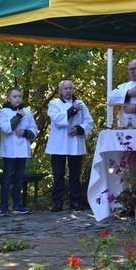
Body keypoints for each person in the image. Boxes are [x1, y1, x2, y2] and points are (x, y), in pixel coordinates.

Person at [46, 80, 94, 212]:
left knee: (75, 174)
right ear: (60, 90)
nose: (68, 90)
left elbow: (89, 121)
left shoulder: (81, 103)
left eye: (70, 88)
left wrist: (79, 128)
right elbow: (57, 120)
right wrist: (73, 110)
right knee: (58, 174)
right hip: (59, 144)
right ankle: (57, 202)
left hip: (75, 142)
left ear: (73, 89)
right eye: (65, 88)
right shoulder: (54, 103)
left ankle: (75, 201)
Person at [0, 86, 39, 216]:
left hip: (22, 150)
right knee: (7, 177)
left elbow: (34, 129)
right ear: (9, 98)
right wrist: (17, 117)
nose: (17, 99)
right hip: (9, 150)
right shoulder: (4, 112)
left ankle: (17, 204)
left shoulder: (26, 111)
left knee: (19, 178)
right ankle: (4, 207)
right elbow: (6, 128)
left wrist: (26, 132)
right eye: (14, 97)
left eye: (19, 96)